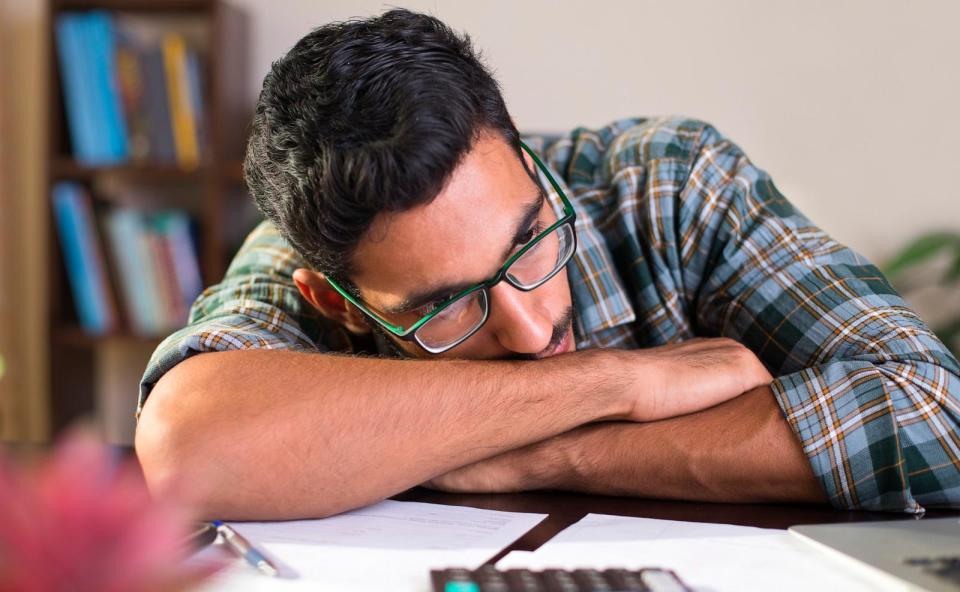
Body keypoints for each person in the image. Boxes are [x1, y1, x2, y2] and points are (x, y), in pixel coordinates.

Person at [134, 9, 960, 520]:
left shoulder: (669, 182)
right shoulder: (303, 256)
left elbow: (938, 414)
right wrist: (614, 385)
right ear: (341, 303)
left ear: (525, 155)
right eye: (450, 305)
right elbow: (190, 446)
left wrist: (539, 452)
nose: (531, 329)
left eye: (530, 240)